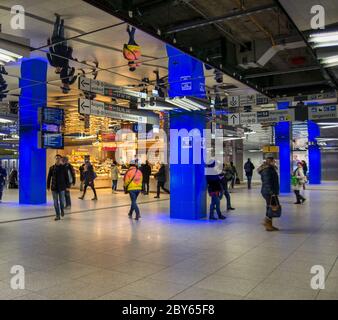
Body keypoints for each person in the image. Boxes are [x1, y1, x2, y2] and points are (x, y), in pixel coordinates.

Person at [47, 14, 77, 94]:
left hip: (59, 47)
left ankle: (60, 20)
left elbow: (50, 54)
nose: (66, 86)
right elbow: (71, 70)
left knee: (58, 32)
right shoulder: (66, 78)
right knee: (59, 32)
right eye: (67, 88)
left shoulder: (57, 67)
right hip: (61, 48)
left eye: (65, 88)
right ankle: (61, 21)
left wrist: (49, 45)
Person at [257, 157, 280, 232]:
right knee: (271, 207)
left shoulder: (270, 168)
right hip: (269, 192)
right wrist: (272, 193)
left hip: (270, 191)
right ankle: (267, 223)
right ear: (270, 161)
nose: (275, 162)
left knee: (271, 207)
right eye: (274, 161)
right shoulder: (267, 170)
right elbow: (267, 182)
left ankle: (269, 224)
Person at [47, 155, 69, 221]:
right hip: (54, 187)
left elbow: (66, 177)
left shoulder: (63, 168)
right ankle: (57, 215)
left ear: (61, 159)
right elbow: (49, 177)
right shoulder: (52, 168)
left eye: (59, 158)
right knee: (55, 202)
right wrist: (48, 186)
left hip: (62, 187)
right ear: (55, 159)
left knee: (62, 202)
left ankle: (62, 210)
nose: (57, 159)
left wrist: (67, 186)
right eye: (56, 158)